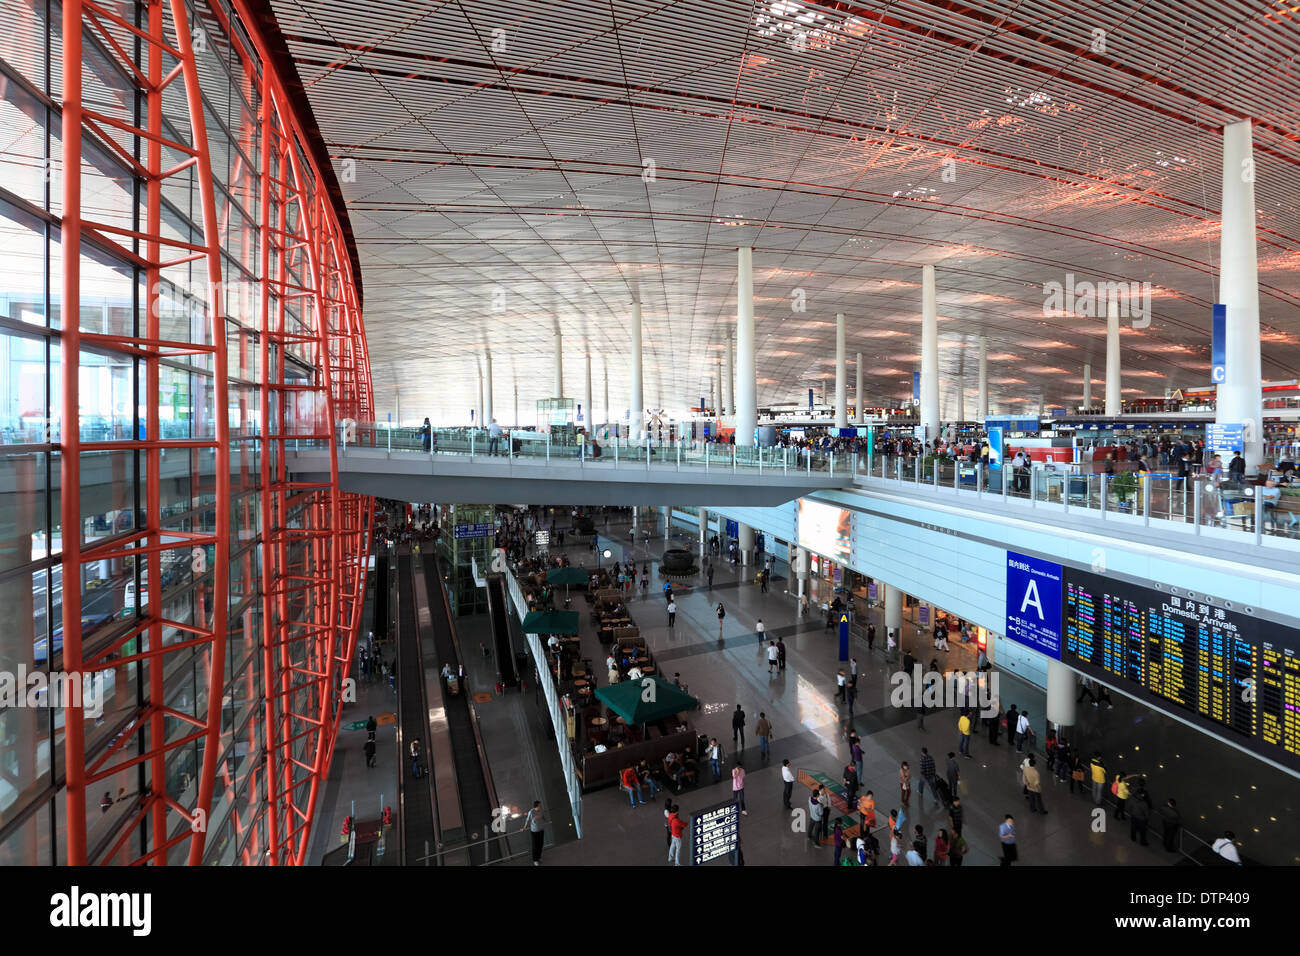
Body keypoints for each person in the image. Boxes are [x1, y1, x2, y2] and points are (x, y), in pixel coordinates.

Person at [523, 800, 547, 865]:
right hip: (534, 831)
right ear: (537, 805)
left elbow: (543, 817)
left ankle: (539, 857)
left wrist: (546, 821)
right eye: (540, 805)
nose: (540, 806)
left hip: (541, 830)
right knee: (535, 846)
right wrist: (524, 827)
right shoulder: (531, 812)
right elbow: (527, 820)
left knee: (540, 844)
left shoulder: (541, 810)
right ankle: (535, 860)